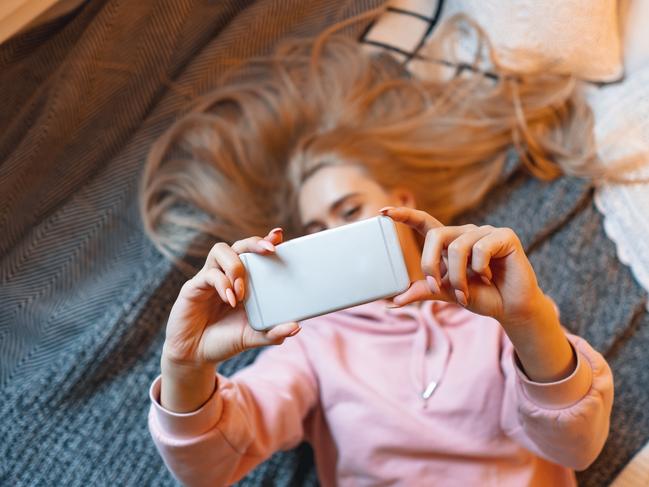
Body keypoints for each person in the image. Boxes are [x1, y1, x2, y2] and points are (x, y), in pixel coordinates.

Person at [140, 15, 613, 487]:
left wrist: (528, 319)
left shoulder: (495, 308)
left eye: (348, 211)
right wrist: (185, 364)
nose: (334, 237)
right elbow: (211, 468)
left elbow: (577, 447)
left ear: (402, 205)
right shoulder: (310, 342)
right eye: (315, 230)